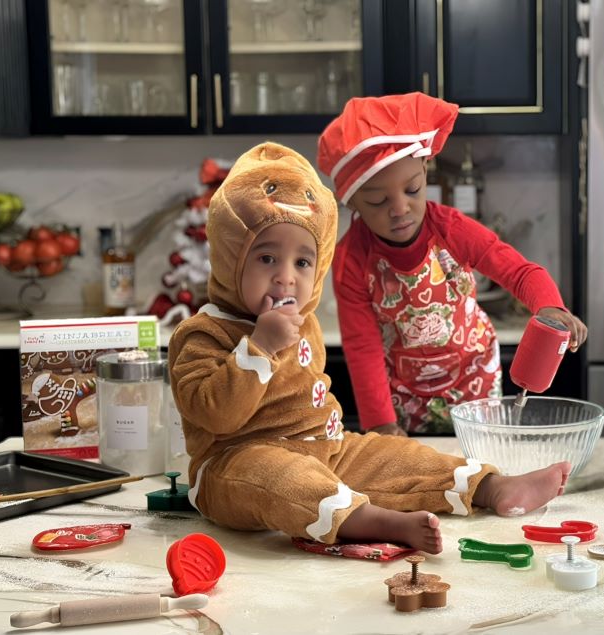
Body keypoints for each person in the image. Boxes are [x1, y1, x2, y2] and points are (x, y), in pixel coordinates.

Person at [168, 141, 571, 554]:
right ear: (230, 256)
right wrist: (259, 348)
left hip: (326, 449)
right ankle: (374, 521)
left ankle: (491, 487)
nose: (286, 278)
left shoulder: (303, 324)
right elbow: (214, 415)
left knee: (398, 457)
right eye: (267, 258)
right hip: (233, 465)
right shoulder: (203, 334)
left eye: (302, 262)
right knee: (277, 478)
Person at [317, 93, 587, 436]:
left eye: (413, 190)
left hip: (473, 381)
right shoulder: (351, 258)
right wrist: (380, 423)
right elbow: (362, 345)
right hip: (403, 395)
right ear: (352, 201)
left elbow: (519, 272)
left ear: (425, 175)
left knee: (479, 472)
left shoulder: (451, 229)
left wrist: (551, 306)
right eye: (378, 200)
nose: (400, 208)